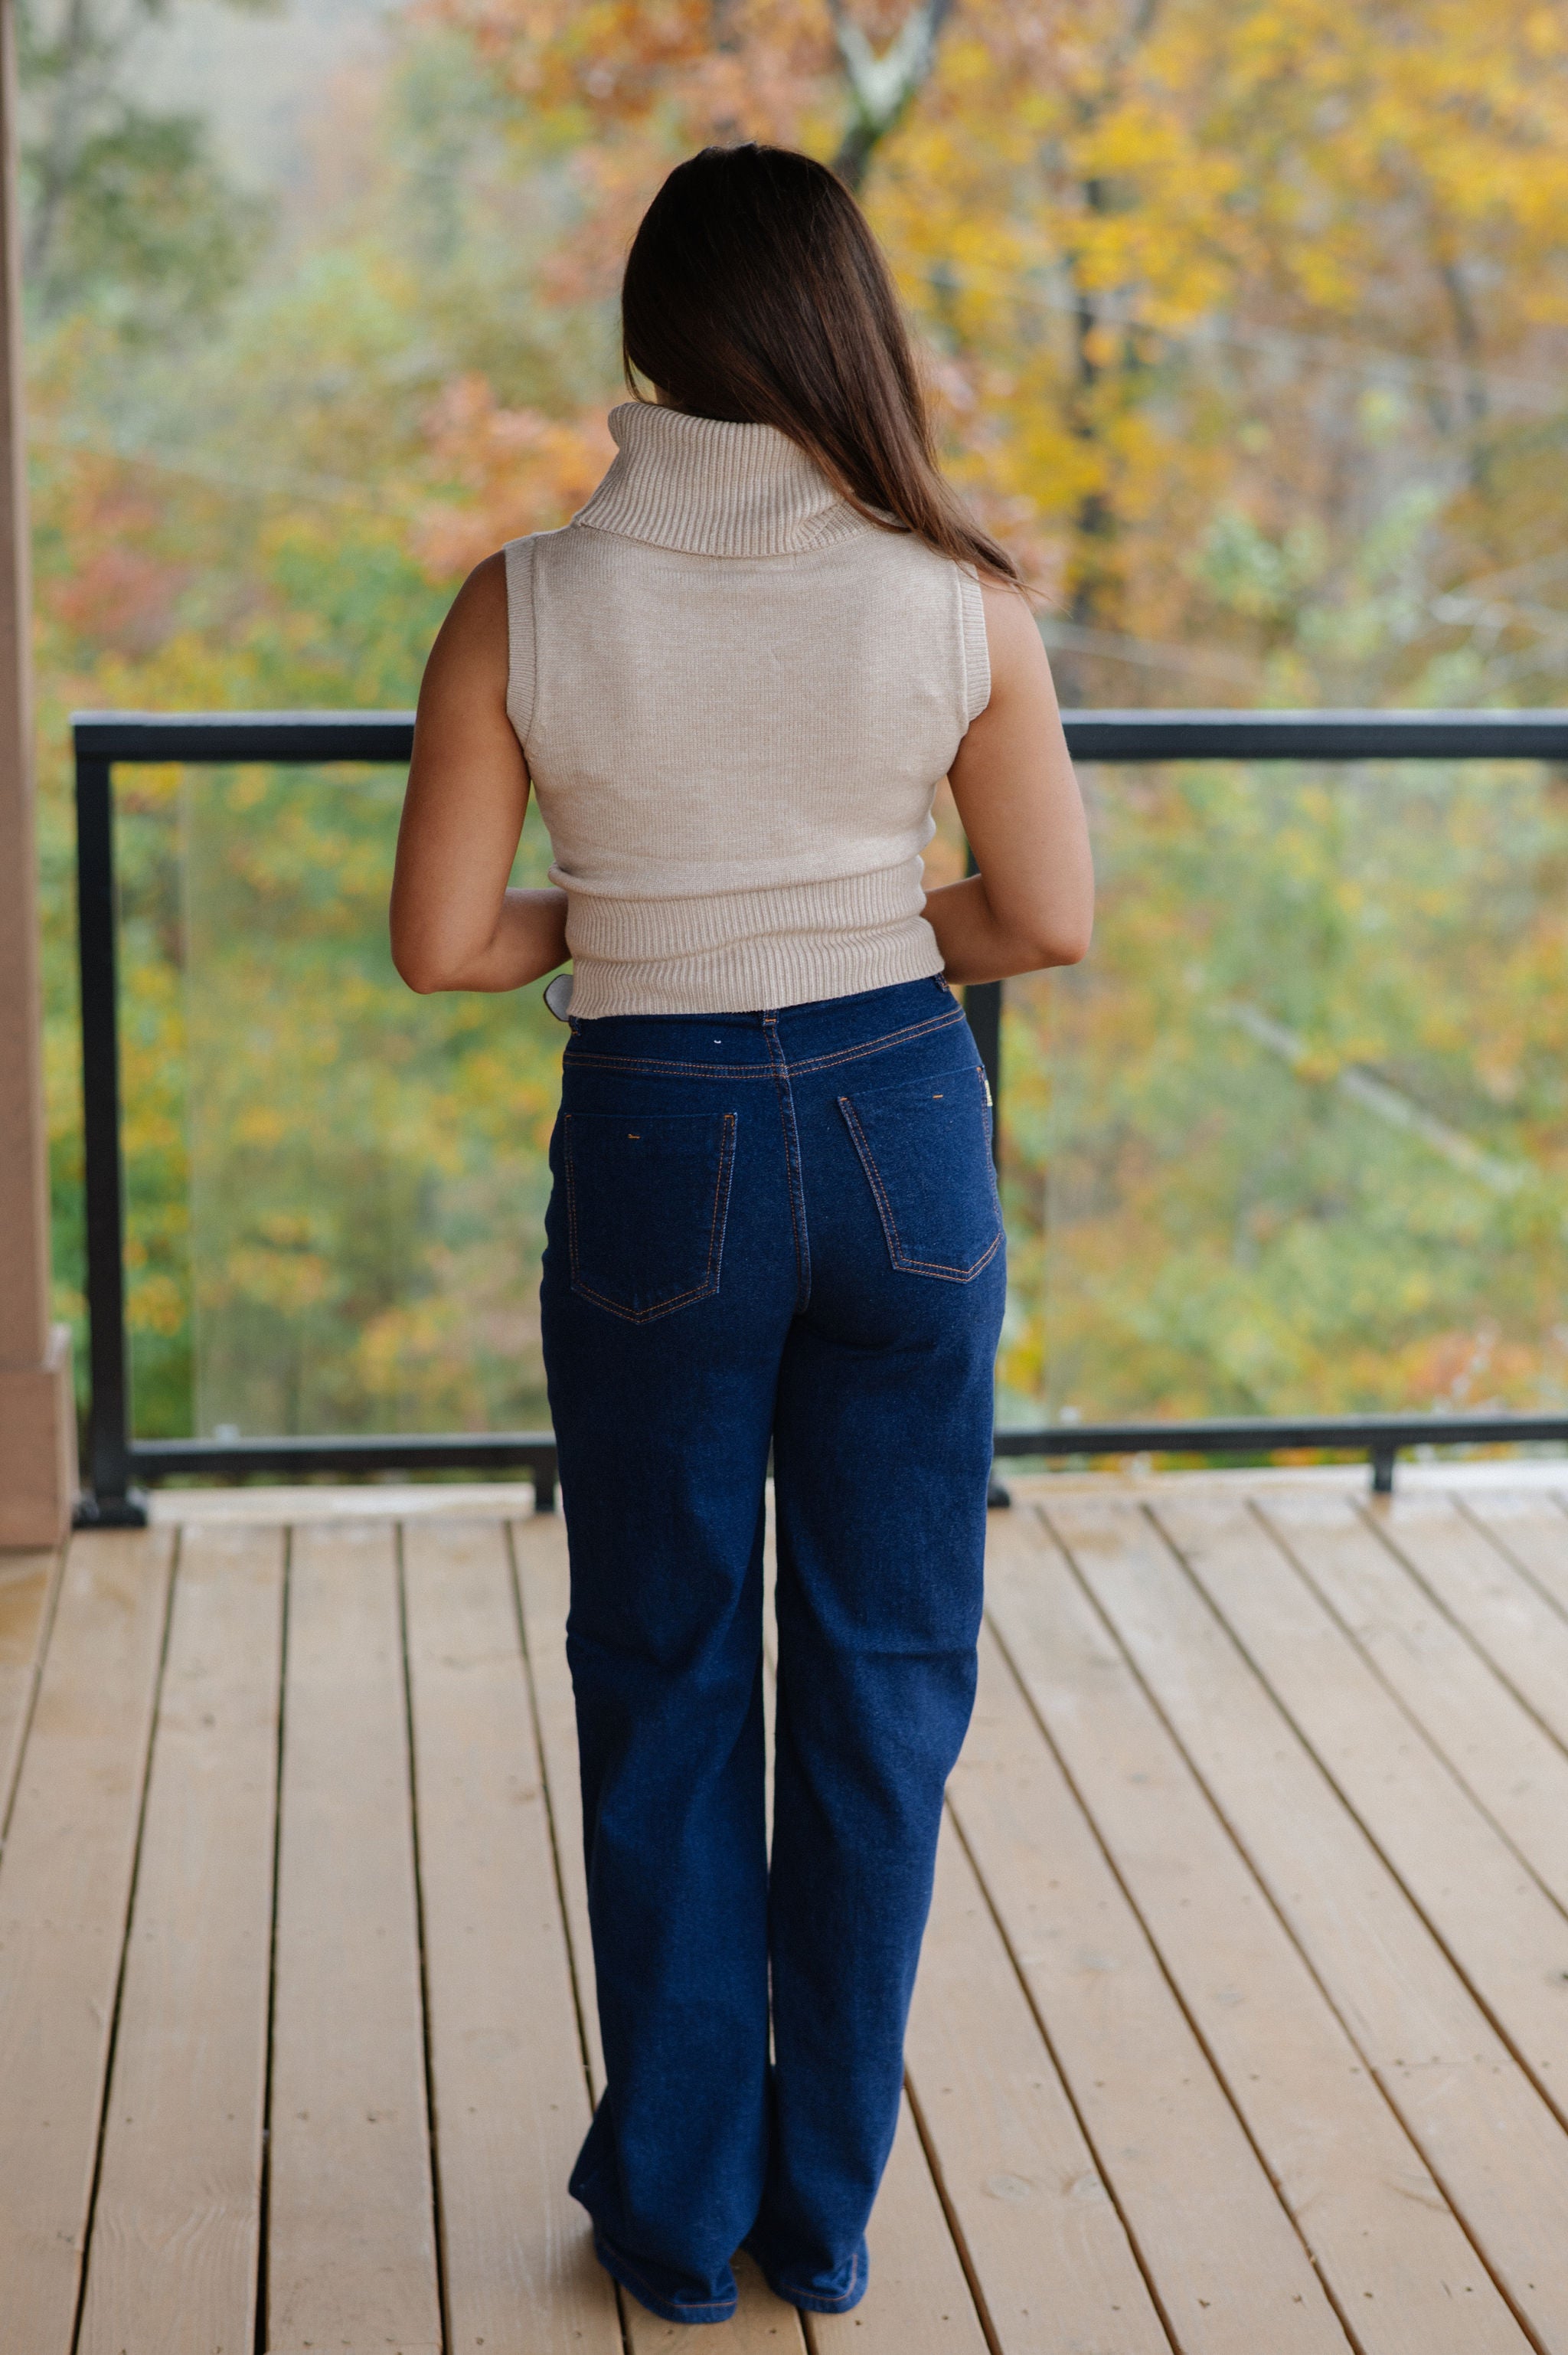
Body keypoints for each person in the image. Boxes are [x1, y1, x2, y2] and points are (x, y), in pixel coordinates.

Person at [390, 141, 1093, 2327]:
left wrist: (643, 918)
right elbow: (1049, 918)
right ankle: (827, 2213)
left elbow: (437, 941)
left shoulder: (525, 599)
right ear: (840, 331)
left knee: (667, 1672)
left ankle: (680, 2224)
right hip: (902, 1118)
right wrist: (852, 921)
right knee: (884, 1687)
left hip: (658, 1138)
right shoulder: (957, 595)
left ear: (653, 342)